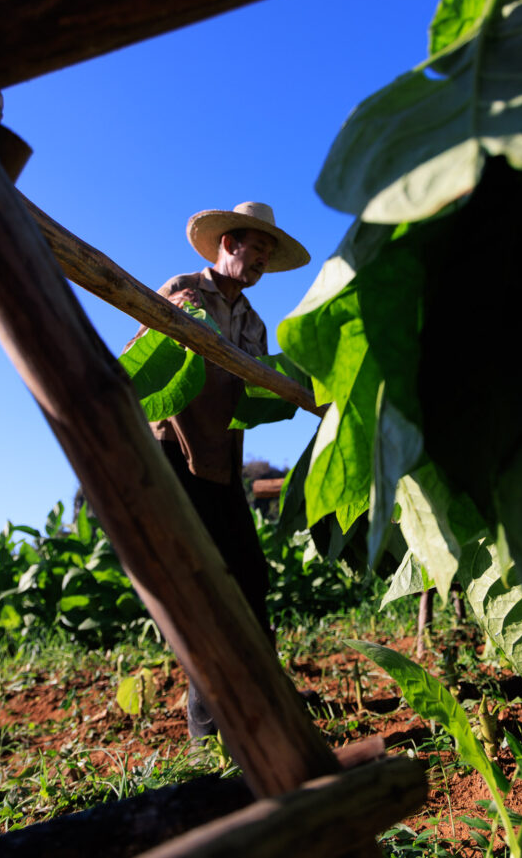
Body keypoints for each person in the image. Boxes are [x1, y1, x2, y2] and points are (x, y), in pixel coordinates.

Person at [128, 201, 310, 738]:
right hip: (175, 455)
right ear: (228, 244)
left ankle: (264, 695)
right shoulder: (182, 287)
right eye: (256, 250)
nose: (259, 263)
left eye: (267, 257)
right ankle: (213, 720)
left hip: (223, 461)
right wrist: (179, 321)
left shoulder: (254, 322)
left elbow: (254, 391)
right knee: (202, 583)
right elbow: (144, 360)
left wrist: (297, 389)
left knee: (250, 576)